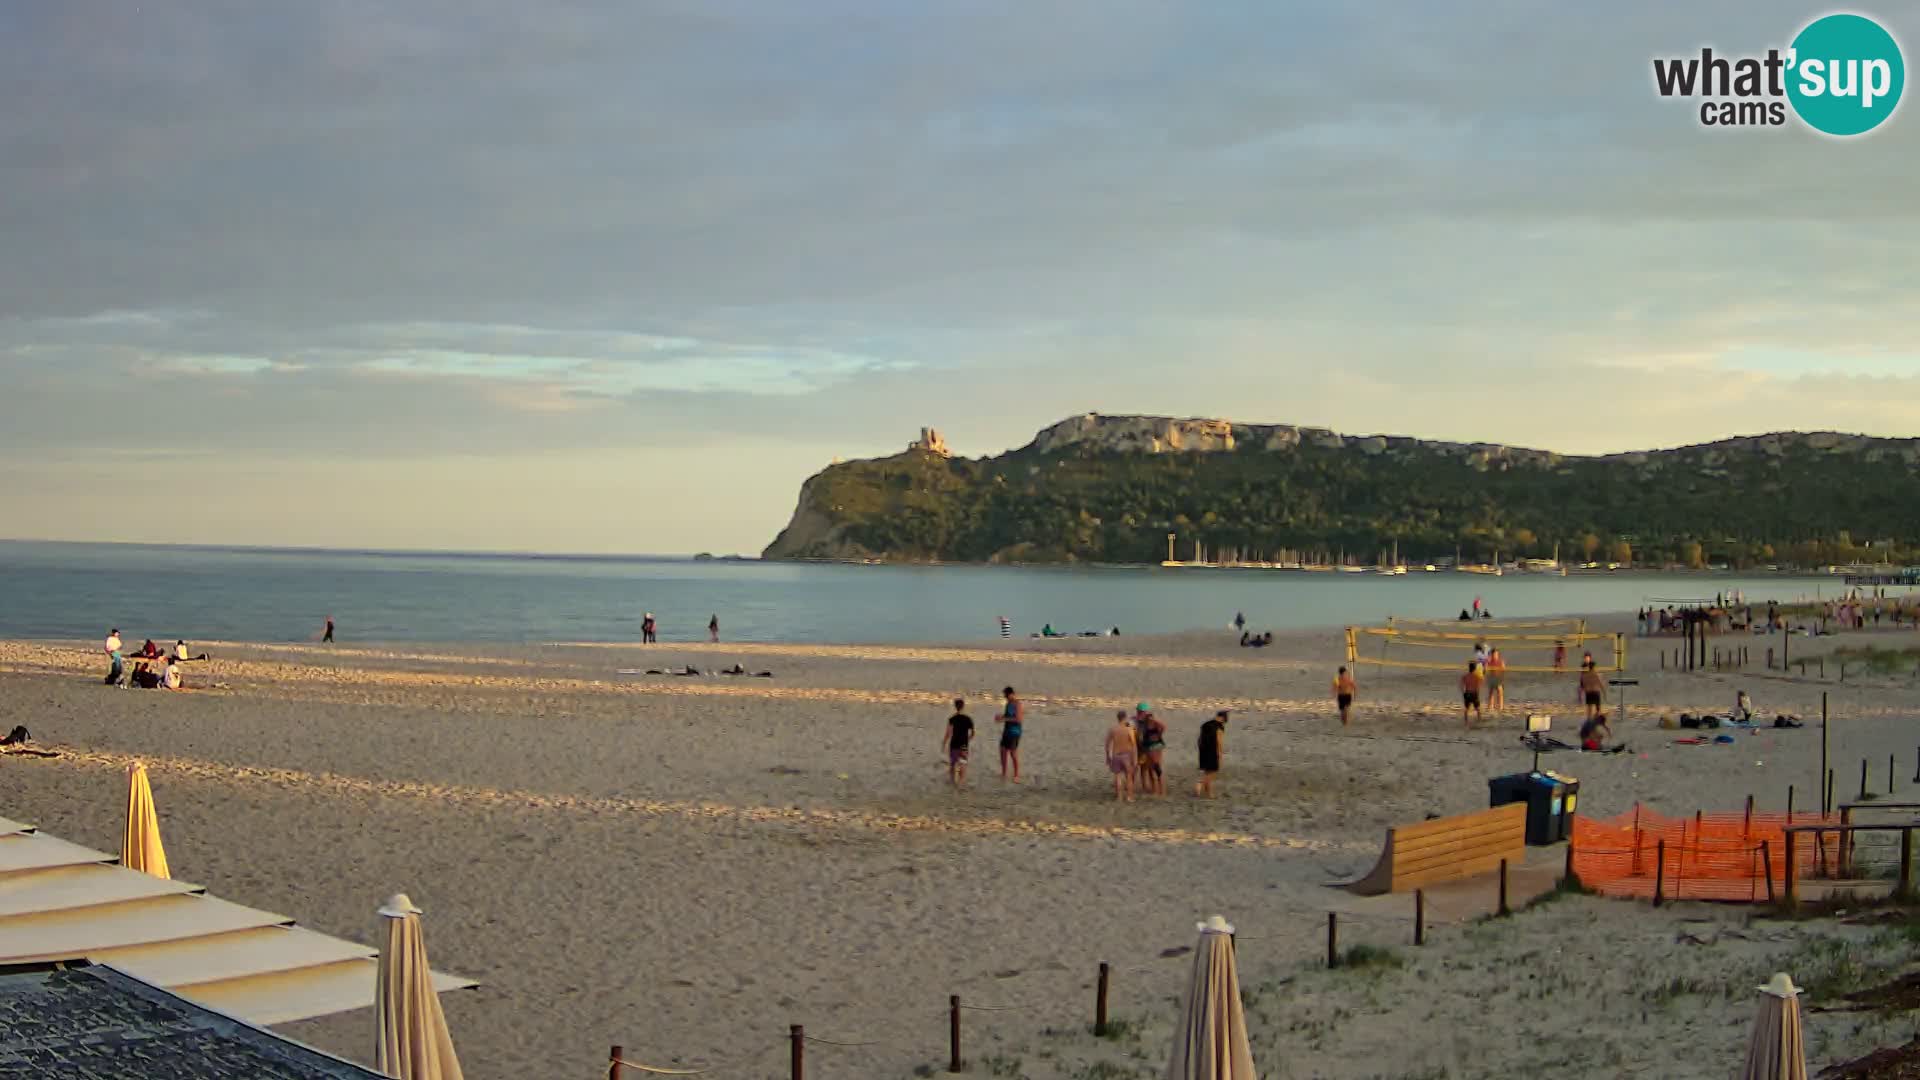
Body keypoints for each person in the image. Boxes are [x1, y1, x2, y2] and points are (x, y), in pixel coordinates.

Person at [1105, 711, 1137, 802]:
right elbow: (1134, 744)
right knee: (1129, 777)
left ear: (1117, 718)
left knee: (1118, 776)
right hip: (1126, 755)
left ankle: (1119, 797)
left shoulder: (1113, 729)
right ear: (1125, 717)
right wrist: (1135, 758)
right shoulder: (1129, 729)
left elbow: (1107, 744)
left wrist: (1108, 756)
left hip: (1116, 755)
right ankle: (1129, 797)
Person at [942, 698, 973, 788]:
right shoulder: (968, 719)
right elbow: (973, 733)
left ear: (955, 707)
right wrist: (968, 739)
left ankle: (953, 782)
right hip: (964, 745)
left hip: (954, 744)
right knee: (963, 763)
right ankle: (961, 782)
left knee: (952, 764)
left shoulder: (952, 719)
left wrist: (944, 744)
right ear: (963, 707)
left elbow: (948, 733)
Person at [1195, 710, 1227, 798]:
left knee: (1207, 771)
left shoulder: (1205, 724)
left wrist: (1201, 749)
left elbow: (1199, 739)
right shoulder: (1219, 726)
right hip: (1213, 751)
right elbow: (1219, 741)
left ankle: (1207, 791)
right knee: (1212, 772)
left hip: (1203, 751)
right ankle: (1201, 786)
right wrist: (1220, 754)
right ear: (1223, 718)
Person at [998, 686, 1024, 783]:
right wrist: (1001, 716)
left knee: (1013, 753)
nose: (1005, 697)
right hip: (1006, 730)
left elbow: (1018, 719)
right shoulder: (1008, 703)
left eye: (1006, 695)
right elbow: (1007, 716)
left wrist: (1005, 719)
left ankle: (1016, 775)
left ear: (1011, 694)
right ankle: (1004, 773)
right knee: (1002, 750)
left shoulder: (1018, 704)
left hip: (1015, 731)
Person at [1138, 709, 1167, 796]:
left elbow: (1164, 727)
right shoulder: (1145, 725)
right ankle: (1155, 790)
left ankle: (1161, 791)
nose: (1149, 719)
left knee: (1157, 769)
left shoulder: (1155, 724)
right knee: (1151, 770)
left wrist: (1154, 720)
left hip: (1154, 748)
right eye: (1148, 717)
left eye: (1150, 717)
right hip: (1149, 748)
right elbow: (1140, 736)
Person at [1460, 662, 1485, 727]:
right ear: (1475, 669)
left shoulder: (1465, 676)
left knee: (1466, 709)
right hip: (1474, 693)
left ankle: (1466, 723)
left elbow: (1461, 686)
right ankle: (1479, 721)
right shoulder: (1477, 677)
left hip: (1467, 693)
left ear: (1469, 668)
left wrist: (1464, 693)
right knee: (1478, 709)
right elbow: (1478, 687)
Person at [1485, 648, 1507, 712]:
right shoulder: (1489, 661)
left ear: (1498, 654)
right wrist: (1487, 661)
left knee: (1500, 692)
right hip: (1492, 677)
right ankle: (1490, 706)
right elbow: (1485, 669)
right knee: (1491, 692)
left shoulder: (1501, 661)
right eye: (1494, 654)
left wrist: (1502, 677)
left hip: (1498, 678)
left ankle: (1501, 707)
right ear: (1491, 655)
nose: (1495, 655)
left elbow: (1503, 669)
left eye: (1496, 654)